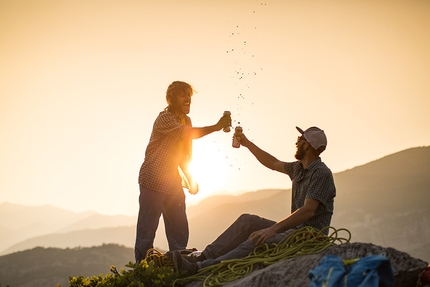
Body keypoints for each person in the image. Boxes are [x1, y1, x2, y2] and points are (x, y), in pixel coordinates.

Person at [167, 126, 336, 275]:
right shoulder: (298, 168)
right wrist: (246, 143)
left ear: (307, 145)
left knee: (258, 239)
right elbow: (272, 162)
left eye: (300, 139)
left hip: (309, 237)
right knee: (246, 221)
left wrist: (273, 230)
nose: (297, 142)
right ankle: (201, 258)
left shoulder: (321, 174)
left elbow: (308, 210)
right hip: (295, 230)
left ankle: (201, 268)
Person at [135, 81, 231, 263]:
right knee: (147, 231)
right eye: (182, 95)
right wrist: (216, 127)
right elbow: (187, 134)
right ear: (171, 100)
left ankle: (180, 264)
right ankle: (142, 268)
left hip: (172, 181)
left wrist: (190, 179)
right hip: (152, 180)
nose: (187, 99)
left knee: (178, 229)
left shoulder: (186, 121)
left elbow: (184, 155)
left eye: (189, 95)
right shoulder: (165, 118)